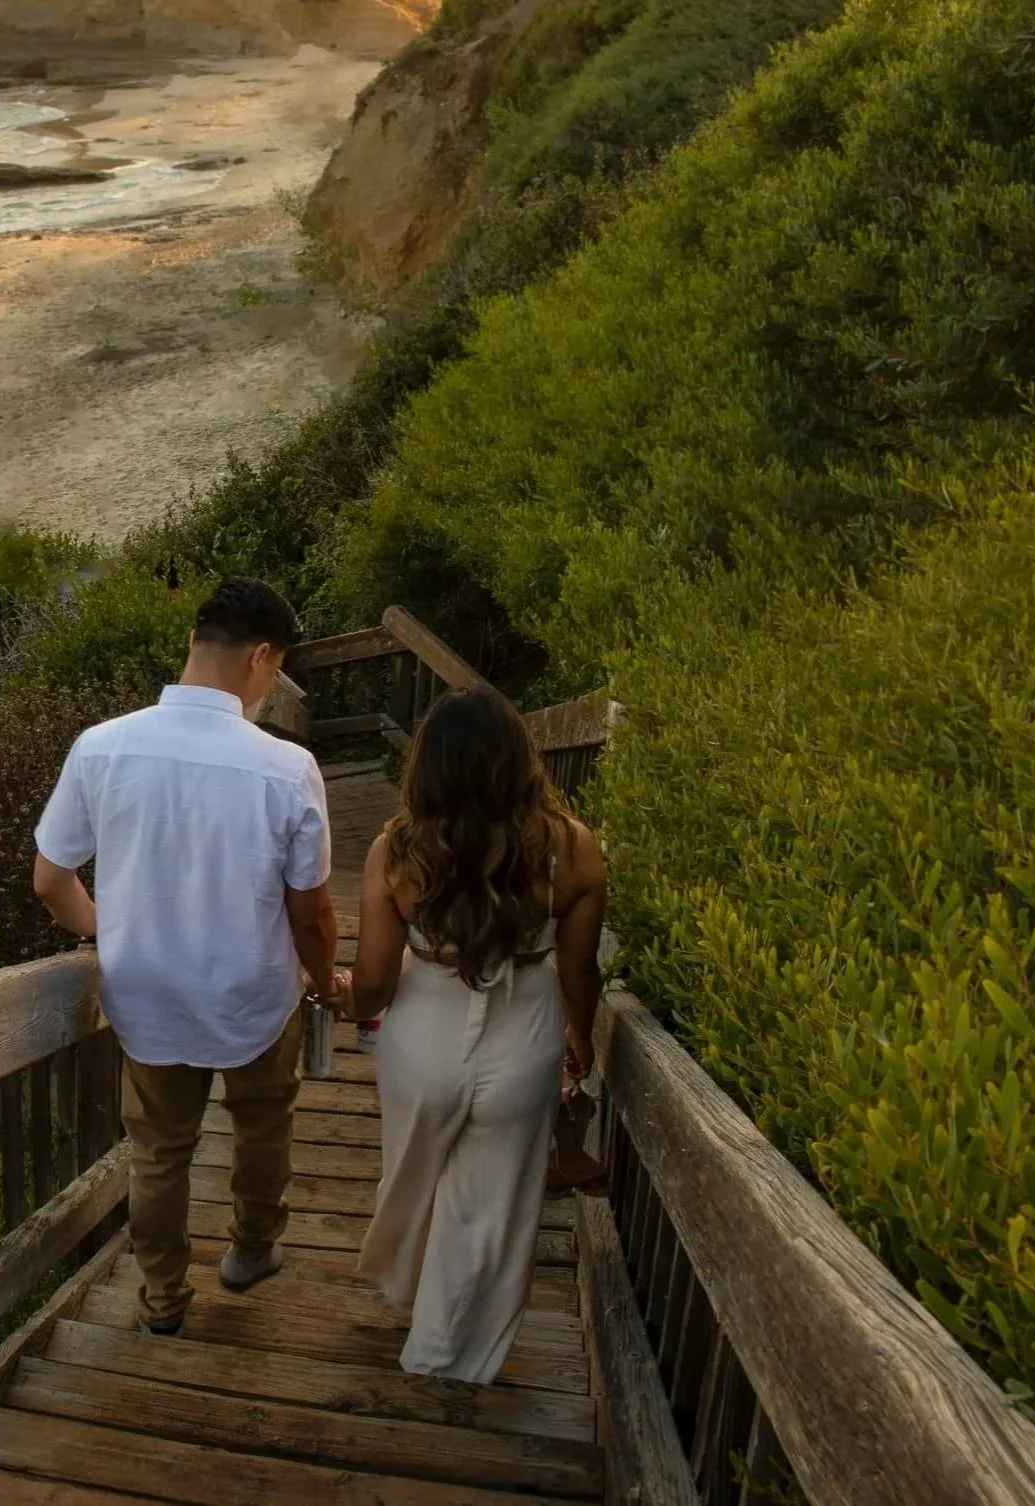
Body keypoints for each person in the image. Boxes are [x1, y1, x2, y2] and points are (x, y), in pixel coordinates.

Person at [33, 577, 339, 1337]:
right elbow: (311, 909)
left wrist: (113, 933)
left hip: (148, 995)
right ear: (260, 657)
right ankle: (250, 1250)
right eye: (276, 671)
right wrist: (325, 976)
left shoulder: (101, 747)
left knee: (160, 1152)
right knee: (263, 1125)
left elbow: (50, 879)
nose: (271, 687)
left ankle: (164, 1298)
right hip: (255, 993)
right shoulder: (286, 768)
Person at [337, 685, 606, 1383]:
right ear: (520, 760)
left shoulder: (395, 851)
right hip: (526, 1034)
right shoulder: (572, 848)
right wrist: (583, 1035)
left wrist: (347, 1000)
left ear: (429, 765)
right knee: (490, 1208)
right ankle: (449, 1353)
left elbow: (372, 982)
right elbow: (580, 971)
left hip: (422, 1032)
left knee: (416, 1170)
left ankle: (412, 1288)